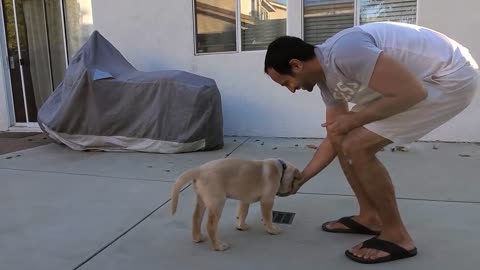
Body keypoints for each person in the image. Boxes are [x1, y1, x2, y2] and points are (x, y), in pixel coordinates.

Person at [264, 21, 479, 264]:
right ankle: (370, 217)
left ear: (296, 65)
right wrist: (302, 179)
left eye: (285, 83)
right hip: (421, 82)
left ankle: (397, 236)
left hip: (450, 77)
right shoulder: (327, 82)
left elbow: (412, 93)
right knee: (345, 138)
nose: (291, 90)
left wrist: (355, 118)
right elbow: (335, 136)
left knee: (357, 144)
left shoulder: (345, 52)